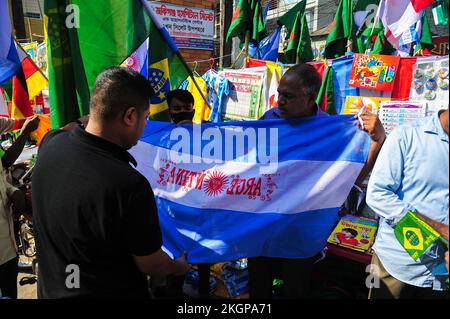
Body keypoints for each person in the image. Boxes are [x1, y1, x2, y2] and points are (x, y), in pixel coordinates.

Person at [32, 67, 190, 299]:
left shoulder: (50, 145)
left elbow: (69, 128)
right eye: (145, 117)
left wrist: (92, 117)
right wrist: (179, 266)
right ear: (129, 117)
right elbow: (151, 263)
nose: (146, 125)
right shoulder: (129, 185)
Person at [248, 63, 386, 299]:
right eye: (280, 93)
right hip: (264, 228)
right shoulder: (268, 120)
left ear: (311, 97)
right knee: (258, 291)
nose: (280, 101)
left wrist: (377, 140)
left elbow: (349, 178)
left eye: (288, 96)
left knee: (295, 291)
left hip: (301, 234)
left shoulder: (330, 132)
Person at [366, 109, 449, 299]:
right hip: (398, 265)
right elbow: (377, 194)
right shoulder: (407, 135)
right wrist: (436, 228)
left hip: (443, 275)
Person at [157, 89, 212, 298]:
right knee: (176, 249)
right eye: (177, 108)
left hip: (202, 204)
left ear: (193, 108)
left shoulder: (208, 134)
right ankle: (174, 289)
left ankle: (204, 290)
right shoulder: (162, 137)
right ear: (170, 112)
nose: (182, 112)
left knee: (203, 250)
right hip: (175, 206)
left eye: (186, 108)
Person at [0, 116, 40, 299]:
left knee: (9, 286)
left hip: (7, 246)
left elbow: (2, 169)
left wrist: (12, 191)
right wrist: (24, 132)